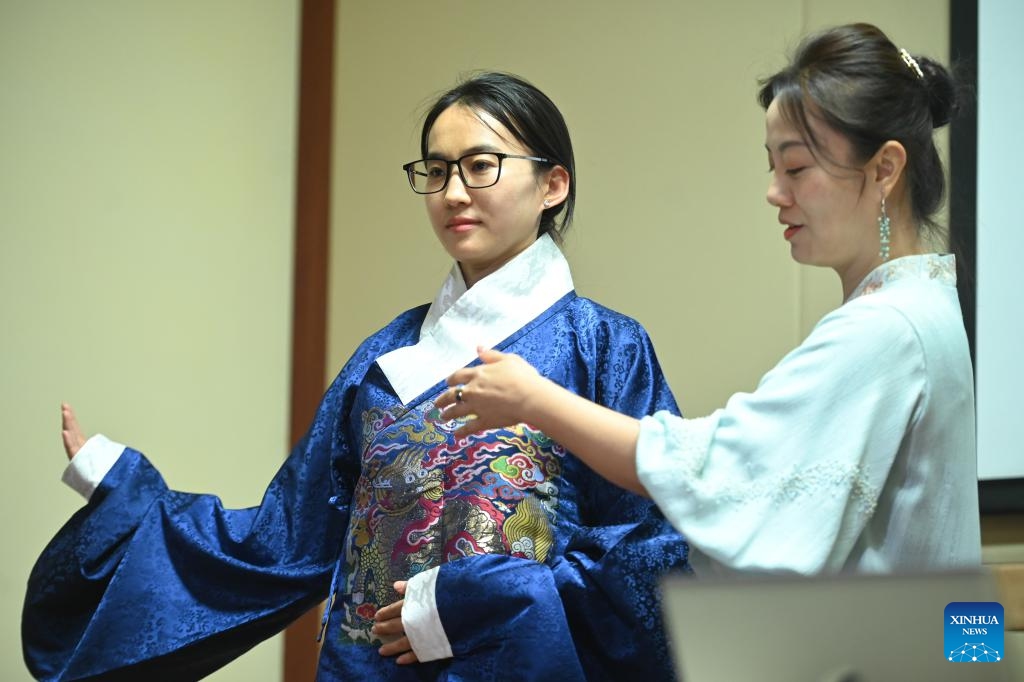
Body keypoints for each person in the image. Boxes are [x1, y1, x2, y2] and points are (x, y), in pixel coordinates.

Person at [22, 72, 690, 681]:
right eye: (436, 170)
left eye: (481, 166)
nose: (453, 192)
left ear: (553, 184)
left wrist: (482, 601)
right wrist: (123, 488)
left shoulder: (607, 348)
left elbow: (653, 548)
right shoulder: (384, 358)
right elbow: (284, 541)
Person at [435, 24, 981, 577]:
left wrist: (536, 401)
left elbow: (722, 469)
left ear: (884, 168)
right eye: (773, 167)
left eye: (796, 167)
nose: (774, 191)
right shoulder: (921, 305)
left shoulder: (887, 327)